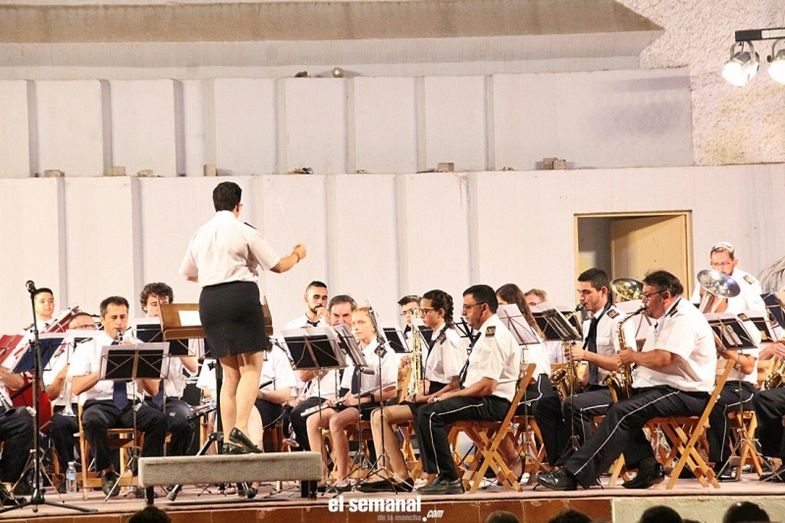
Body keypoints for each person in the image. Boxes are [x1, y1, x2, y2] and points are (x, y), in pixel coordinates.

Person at [537, 270, 716, 491]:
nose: (643, 301)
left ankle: (574, 474)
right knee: (619, 405)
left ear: (666, 296)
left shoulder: (684, 318)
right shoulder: (666, 317)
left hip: (685, 392)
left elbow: (665, 358)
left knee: (622, 411)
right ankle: (648, 466)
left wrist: (633, 356)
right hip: (664, 387)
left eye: (647, 296)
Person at [179, 181, 306, 454]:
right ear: (238, 205)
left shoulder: (200, 233)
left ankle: (228, 438)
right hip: (240, 298)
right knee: (251, 368)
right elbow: (278, 266)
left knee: (229, 374)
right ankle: (240, 429)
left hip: (209, 300)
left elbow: (187, 273)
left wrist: (215, 275)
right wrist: (297, 255)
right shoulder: (244, 230)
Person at [415, 284, 520, 495]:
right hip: (479, 398)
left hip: (492, 403)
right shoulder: (485, 333)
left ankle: (449, 478)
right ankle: (438, 474)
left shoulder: (494, 335)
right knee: (422, 410)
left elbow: (487, 386)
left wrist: (451, 394)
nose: (463, 313)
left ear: (484, 308)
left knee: (431, 414)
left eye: (468, 307)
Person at [359, 289, 466, 492]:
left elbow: (455, 383)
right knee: (378, 415)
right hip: (431, 392)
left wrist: (426, 396)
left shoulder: (449, 338)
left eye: (425, 311)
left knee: (387, 415)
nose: (421, 316)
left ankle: (438, 475)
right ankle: (396, 474)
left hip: (443, 397)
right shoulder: (436, 335)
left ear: (440, 312)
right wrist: (422, 386)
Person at [69, 296, 166, 496]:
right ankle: (107, 471)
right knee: (92, 420)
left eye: (123, 317)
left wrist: (137, 361)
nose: (119, 323)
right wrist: (105, 367)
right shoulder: (87, 347)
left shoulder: (137, 344)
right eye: (114, 318)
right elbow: (76, 388)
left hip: (130, 404)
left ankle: (144, 477)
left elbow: (153, 390)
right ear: (103, 320)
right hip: (100, 404)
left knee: (158, 420)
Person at [305, 307, 400, 491]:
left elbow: (391, 392)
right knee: (312, 420)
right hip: (352, 403)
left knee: (336, 421)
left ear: (373, 326)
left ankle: (342, 477)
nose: (355, 327)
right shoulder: (353, 351)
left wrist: (361, 400)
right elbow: (349, 388)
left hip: (371, 403)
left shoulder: (384, 352)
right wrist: (339, 399)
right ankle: (321, 475)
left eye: (361, 322)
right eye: (354, 323)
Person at [560, 269, 635, 459]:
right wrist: (580, 380)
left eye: (587, 292)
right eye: (580, 292)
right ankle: (559, 461)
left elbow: (622, 363)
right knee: (547, 404)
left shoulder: (618, 320)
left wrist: (585, 355)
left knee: (573, 405)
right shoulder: (588, 322)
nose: (581, 298)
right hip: (594, 386)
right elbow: (594, 362)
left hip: (615, 390)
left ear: (603, 291)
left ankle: (586, 463)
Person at [495, 283, 560, 472]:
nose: (498, 311)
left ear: (513, 306)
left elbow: (530, 372)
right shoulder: (506, 332)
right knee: (487, 408)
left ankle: (514, 459)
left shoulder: (525, 331)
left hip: (536, 390)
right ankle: (513, 456)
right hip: (521, 389)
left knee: (493, 408)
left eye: (501, 305)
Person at [288, 295, 355, 451]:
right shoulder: (321, 340)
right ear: (329, 317)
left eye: (346, 316)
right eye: (336, 316)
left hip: (350, 397)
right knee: (297, 414)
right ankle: (319, 460)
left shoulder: (359, 339)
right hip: (322, 397)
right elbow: (304, 376)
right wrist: (327, 362)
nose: (341, 321)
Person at [139, 282, 198, 458]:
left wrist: (174, 342)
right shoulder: (133, 334)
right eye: (154, 304)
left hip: (171, 399)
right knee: (153, 422)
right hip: (143, 400)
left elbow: (193, 368)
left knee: (184, 422)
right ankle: (147, 466)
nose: (159, 309)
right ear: (144, 307)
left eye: (164, 304)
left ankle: (175, 465)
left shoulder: (179, 332)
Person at [44, 311, 96, 488]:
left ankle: (104, 471)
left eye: (91, 326)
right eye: (83, 327)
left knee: (105, 419)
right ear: (70, 331)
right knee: (58, 423)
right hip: (67, 408)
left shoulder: (99, 351)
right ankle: (69, 472)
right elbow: (49, 395)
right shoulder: (57, 356)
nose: (88, 330)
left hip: (92, 404)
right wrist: (60, 376)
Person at [690, 241, 765, 313]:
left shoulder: (747, 282)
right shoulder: (705, 280)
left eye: (724, 263)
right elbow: (694, 308)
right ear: (711, 263)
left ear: (735, 262)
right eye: (716, 264)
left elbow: (759, 312)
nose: (720, 269)